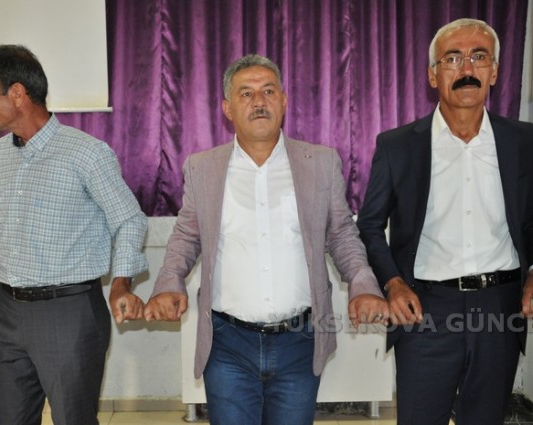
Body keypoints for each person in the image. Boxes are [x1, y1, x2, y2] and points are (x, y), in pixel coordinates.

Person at [143, 54, 388, 425]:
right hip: (227, 343)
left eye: (268, 91)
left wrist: (363, 284)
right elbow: (187, 236)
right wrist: (168, 283)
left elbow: (341, 234)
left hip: (299, 341)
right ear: (227, 108)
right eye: (246, 93)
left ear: (284, 101)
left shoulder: (321, 162)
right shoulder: (202, 167)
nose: (259, 101)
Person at [356, 18, 533, 425]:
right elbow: (370, 226)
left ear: (494, 71)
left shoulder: (524, 141)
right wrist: (392, 283)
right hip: (426, 309)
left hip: (500, 308)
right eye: (452, 59)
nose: (466, 68)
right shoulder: (397, 146)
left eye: (479, 57)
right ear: (433, 75)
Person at [0, 45, 149, 425]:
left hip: (70, 312)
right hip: (9, 312)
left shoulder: (86, 153)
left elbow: (129, 220)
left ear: (17, 93)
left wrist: (120, 285)